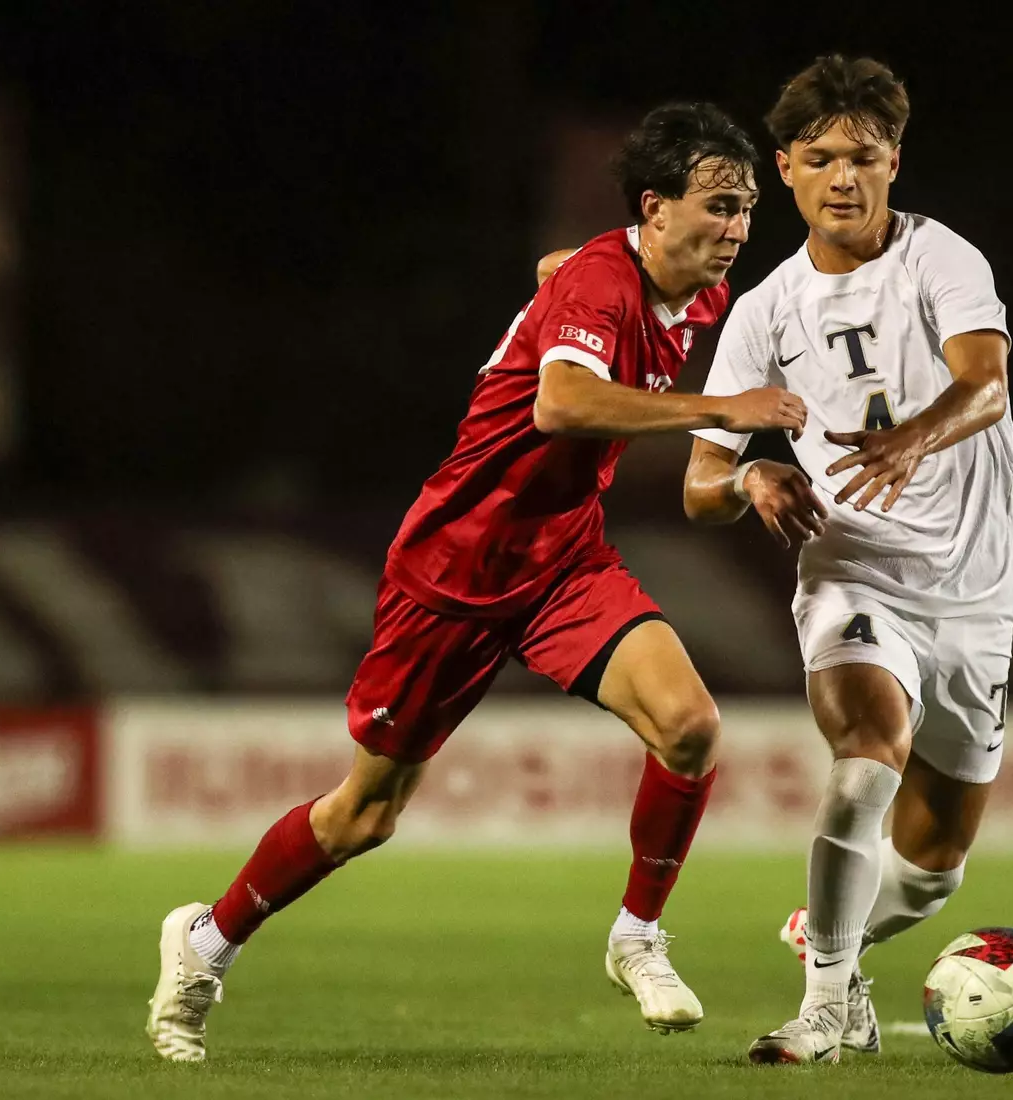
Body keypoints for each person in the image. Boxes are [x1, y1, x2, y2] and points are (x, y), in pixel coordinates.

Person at [146, 101, 809, 1062]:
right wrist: (725, 407)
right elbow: (562, 400)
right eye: (719, 206)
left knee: (692, 726)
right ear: (655, 207)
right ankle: (204, 943)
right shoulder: (602, 283)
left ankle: (637, 935)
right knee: (364, 815)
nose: (738, 230)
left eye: (747, 209)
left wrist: (562, 288)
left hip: (564, 562)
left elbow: (563, 282)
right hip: (455, 569)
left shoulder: (689, 292)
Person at [682, 55, 1013, 1065]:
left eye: (866, 157)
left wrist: (913, 438)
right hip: (852, 569)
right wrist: (751, 480)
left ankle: (828, 930)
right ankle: (826, 1005)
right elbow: (697, 482)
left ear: (895, 161)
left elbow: (986, 384)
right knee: (862, 760)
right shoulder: (765, 311)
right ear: (787, 170)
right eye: (824, 158)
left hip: (977, 582)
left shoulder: (942, 260)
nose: (846, 178)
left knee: (932, 869)